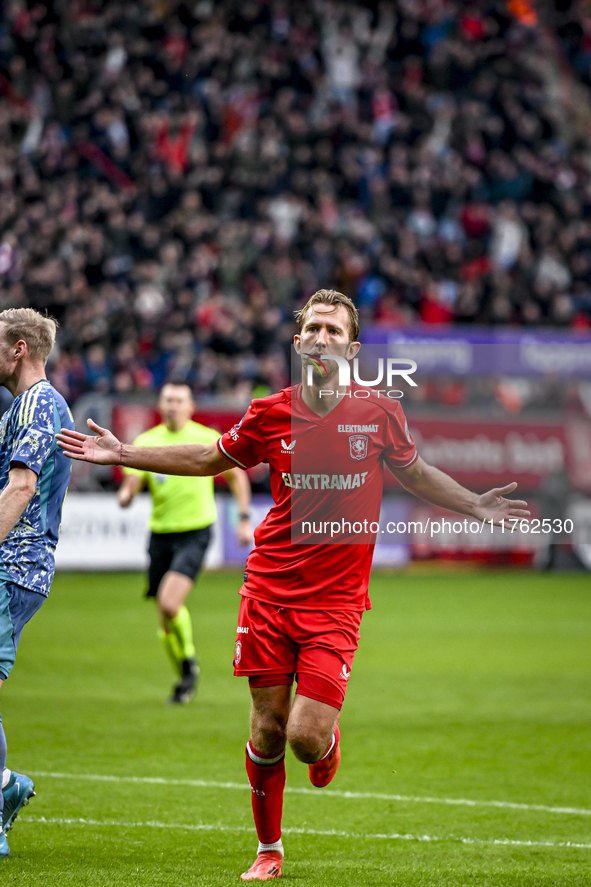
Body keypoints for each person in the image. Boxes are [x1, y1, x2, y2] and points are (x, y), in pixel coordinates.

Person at [57, 289, 529, 881]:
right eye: (314, 330)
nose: (324, 339)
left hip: (336, 601)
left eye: (335, 331)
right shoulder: (269, 412)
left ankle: (325, 745)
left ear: (353, 349)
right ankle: (269, 850)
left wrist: (473, 505)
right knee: (266, 724)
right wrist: (124, 452)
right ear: (298, 343)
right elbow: (209, 458)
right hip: (269, 589)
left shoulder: (379, 413)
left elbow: (416, 474)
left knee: (306, 737)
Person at [117, 382, 252, 703]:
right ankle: (184, 675)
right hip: (160, 535)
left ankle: (189, 663)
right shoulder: (147, 441)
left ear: (191, 407)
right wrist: (127, 493)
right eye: (167, 400)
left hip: (195, 531)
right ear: (159, 405)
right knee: (164, 620)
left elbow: (237, 476)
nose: (172, 405)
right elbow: (134, 478)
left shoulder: (206, 438)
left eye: (178, 400)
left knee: (169, 603)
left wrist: (244, 518)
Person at [0, 308, 74, 859]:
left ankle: (3, 794)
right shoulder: (21, 407)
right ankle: (4, 790)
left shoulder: (41, 404)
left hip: (14, 565)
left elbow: (21, 488)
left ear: (19, 348)